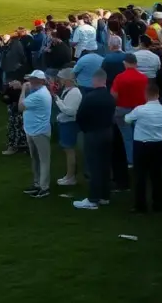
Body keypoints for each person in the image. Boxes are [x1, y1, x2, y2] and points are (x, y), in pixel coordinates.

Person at [125, 82, 162, 213]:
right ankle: (158, 204)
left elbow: (127, 119)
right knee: (157, 175)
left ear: (146, 94)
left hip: (141, 145)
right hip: (157, 144)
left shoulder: (140, 110)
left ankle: (140, 205)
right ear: (158, 95)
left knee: (140, 176)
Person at [73, 70, 116, 210]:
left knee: (94, 167)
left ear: (94, 80)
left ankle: (93, 199)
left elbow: (80, 116)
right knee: (105, 166)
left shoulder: (89, 97)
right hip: (108, 132)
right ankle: (104, 196)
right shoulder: (110, 96)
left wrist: (86, 129)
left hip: (93, 134)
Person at [20, 70, 53, 198]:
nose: (30, 82)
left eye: (33, 80)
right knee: (35, 159)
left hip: (40, 131)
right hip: (32, 130)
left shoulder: (40, 94)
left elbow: (20, 106)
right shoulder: (37, 92)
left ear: (40, 81)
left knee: (43, 160)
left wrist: (23, 90)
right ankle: (37, 183)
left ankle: (44, 187)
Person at [111, 54, 148, 167]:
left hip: (122, 109)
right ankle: (142, 158)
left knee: (127, 136)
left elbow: (114, 95)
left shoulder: (119, 77)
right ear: (136, 63)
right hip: (139, 110)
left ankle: (131, 160)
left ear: (125, 63)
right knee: (140, 135)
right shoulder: (143, 78)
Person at [54, 68, 82, 187]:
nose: (59, 81)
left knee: (69, 150)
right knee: (67, 150)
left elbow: (70, 111)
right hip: (65, 123)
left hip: (70, 124)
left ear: (67, 80)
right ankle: (69, 175)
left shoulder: (74, 92)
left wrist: (57, 101)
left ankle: (71, 177)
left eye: (60, 78)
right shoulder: (68, 90)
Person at [0, 79, 28, 156]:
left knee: (16, 127)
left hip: (18, 110)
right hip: (15, 108)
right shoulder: (11, 89)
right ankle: (20, 146)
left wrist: (20, 87)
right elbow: (4, 98)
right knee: (16, 127)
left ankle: (14, 147)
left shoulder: (21, 89)